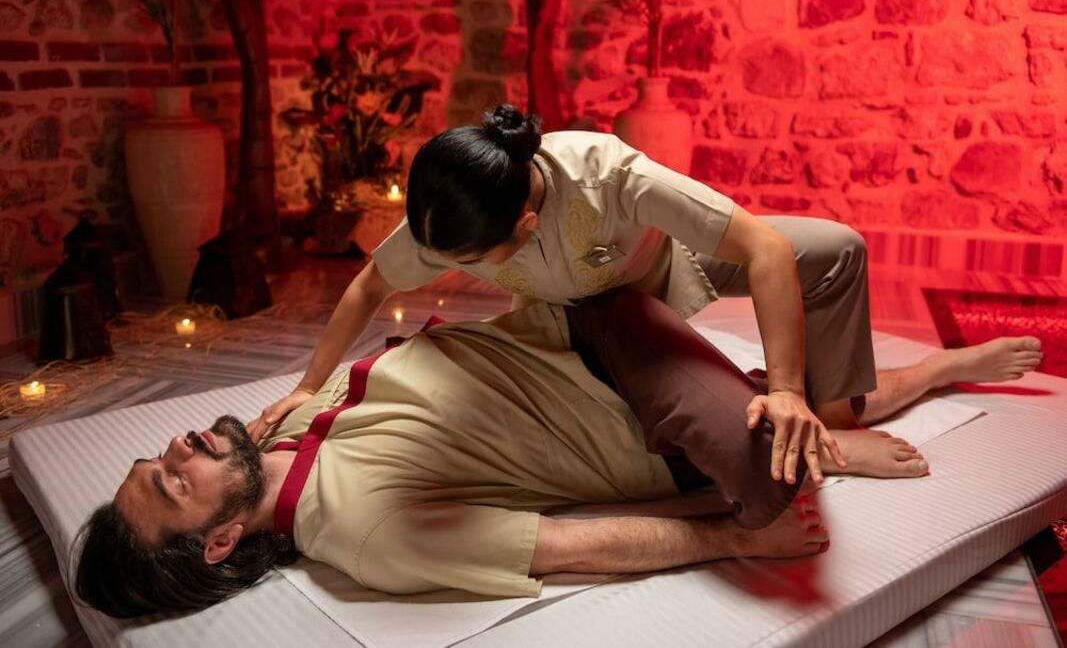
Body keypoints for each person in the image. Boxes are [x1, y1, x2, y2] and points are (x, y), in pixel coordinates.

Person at [74, 290, 1035, 618]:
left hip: (578, 330)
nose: (180, 445)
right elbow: (568, 543)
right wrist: (737, 539)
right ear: (218, 540)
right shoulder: (362, 529)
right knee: (789, 415)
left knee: (789, 371)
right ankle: (903, 396)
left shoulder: (272, 434)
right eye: (174, 481)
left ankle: (896, 389)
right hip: (635, 415)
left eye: (162, 455)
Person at [249, 104, 1042, 486]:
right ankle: (839, 426)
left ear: (525, 221)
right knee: (687, 424)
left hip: (662, 271)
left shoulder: (608, 174)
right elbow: (368, 284)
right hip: (579, 326)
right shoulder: (448, 215)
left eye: (470, 261)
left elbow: (763, 247)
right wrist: (309, 385)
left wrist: (788, 389)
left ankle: (874, 401)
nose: (445, 268)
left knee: (834, 250)